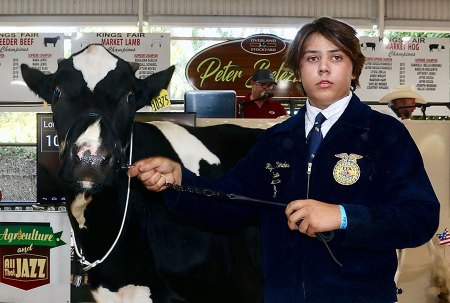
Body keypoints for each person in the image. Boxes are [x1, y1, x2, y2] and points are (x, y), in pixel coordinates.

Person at [129, 16, 440, 303]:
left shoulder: (384, 134)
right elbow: (230, 203)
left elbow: (420, 217)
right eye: (312, 58)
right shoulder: (275, 140)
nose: (323, 68)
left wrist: (344, 217)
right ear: (298, 70)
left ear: (354, 69)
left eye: (336, 57)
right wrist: (180, 181)